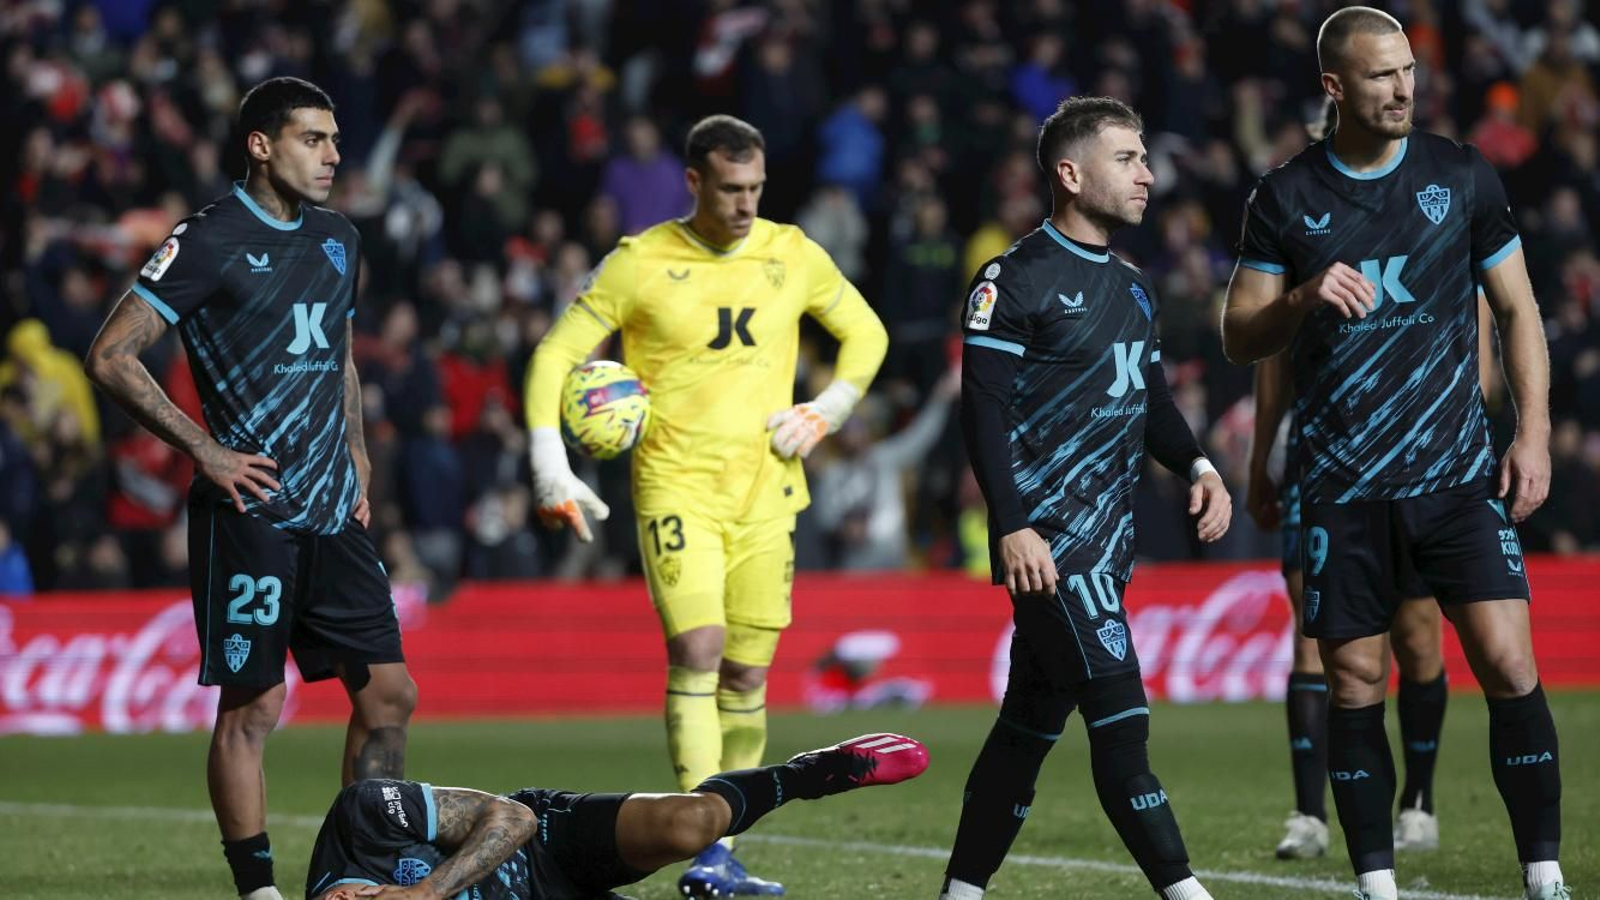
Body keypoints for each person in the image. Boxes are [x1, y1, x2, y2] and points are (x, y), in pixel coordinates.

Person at [1221, 8, 1565, 899]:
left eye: (1408, 70)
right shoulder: (1286, 196)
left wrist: (1530, 435)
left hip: (1455, 477)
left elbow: (1521, 310)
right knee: (1357, 681)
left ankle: (1545, 875)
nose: (1404, 87)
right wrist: (1299, 298)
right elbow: (1239, 337)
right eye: (1381, 75)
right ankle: (1377, 884)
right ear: (1336, 86)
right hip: (1342, 488)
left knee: (1511, 663)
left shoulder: (1461, 173)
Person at [525, 114, 888, 897]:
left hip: (768, 491)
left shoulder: (790, 252)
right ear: (694, 182)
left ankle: (725, 845)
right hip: (676, 487)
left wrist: (826, 410)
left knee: (748, 677)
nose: (745, 204)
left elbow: (867, 333)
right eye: (730, 189)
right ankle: (707, 854)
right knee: (698, 650)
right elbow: (556, 352)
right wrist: (549, 463)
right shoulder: (641, 261)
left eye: (756, 187)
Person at [85, 77, 418, 900]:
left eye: (336, 139)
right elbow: (110, 355)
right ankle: (260, 891)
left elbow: (336, 354)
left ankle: (358, 871)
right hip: (253, 510)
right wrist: (205, 450)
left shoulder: (340, 237)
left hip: (332, 507)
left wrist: (359, 457)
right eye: (314, 138)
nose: (334, 155)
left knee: (390, 694)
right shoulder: (207, 240)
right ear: (261, 145)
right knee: (255, 707)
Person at [939, 96, 1231, 900]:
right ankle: (1187, 893)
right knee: (1123, 726)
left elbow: (1152, 403)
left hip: (1110, 545)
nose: (1147, 173)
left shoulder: (1134, 288)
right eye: (1128, 158)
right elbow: (983, 408)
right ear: (1071, 173)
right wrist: (1014, 524)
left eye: (1144, 157)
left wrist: (1199, 466)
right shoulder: (1014, 278)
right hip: (1054, 549)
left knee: (1027, 729)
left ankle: (960, 895)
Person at [304, 732, 927, 900]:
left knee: (690, 826)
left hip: (542, 839)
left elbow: (511, 819)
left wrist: (428, 893)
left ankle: (810, 773)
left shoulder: (363, 817)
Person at [1249, 352, 1449, 859]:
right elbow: (1274, 359)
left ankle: (1418, 803)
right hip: (1318, 451)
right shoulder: (1303, 271)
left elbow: (1480, 364)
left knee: (1417, 633)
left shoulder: (1445, 269)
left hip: (1415, 444)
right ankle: (1310, 816)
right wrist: (1260, 462)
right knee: (1311, 630)